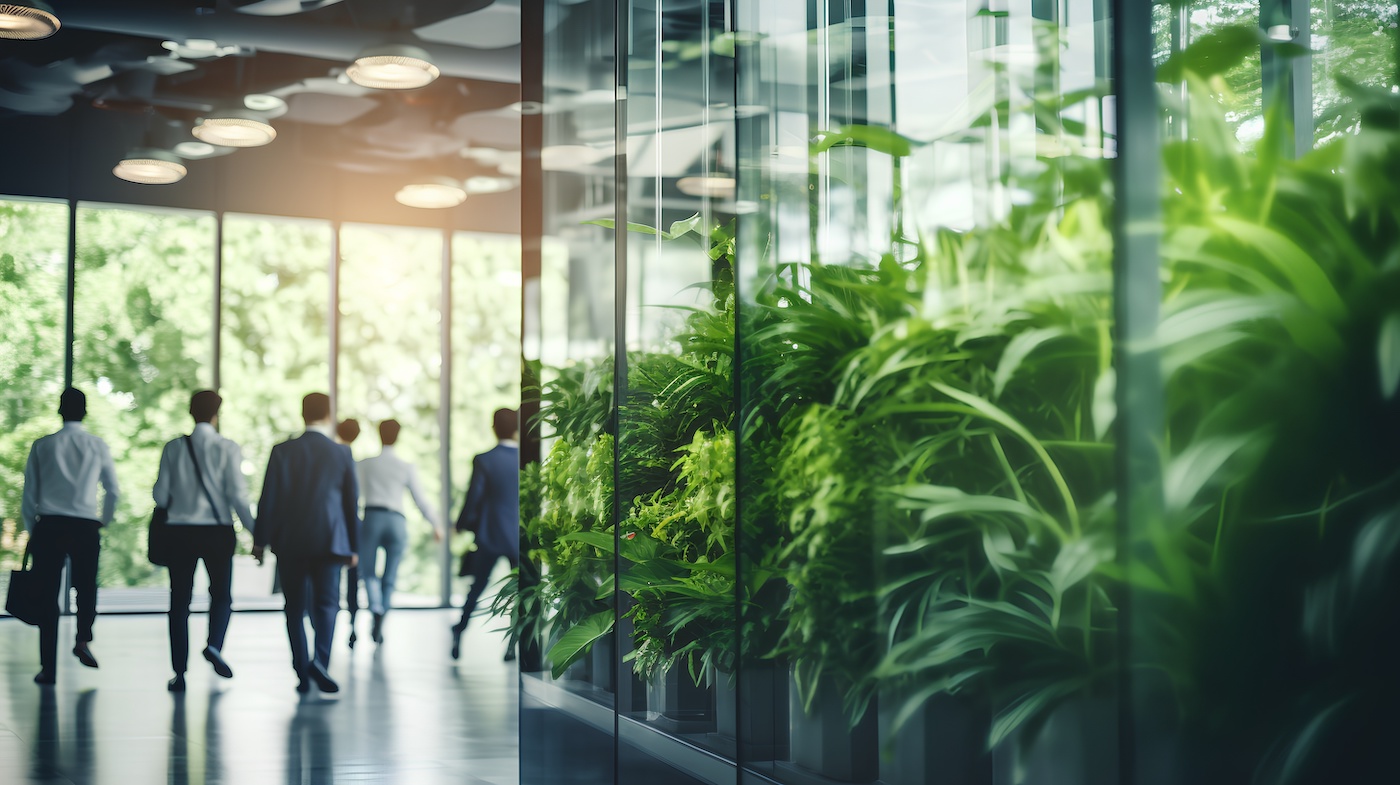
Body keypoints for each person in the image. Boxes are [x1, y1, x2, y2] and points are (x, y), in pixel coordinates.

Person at [253, 393, 359, 694]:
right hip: (330, 541)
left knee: (294, 607)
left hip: (291, 541)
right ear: (328, 416)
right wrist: (353, 547)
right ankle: (321, 663)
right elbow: (351, 504)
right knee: (327, 605)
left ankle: (301, 670)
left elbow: (268, 498)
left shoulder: (282, 451)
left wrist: (260, 540)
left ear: (302, 414)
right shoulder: (341, 453)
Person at [153, 390, 257, 692]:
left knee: (179, 601)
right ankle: (214, 645)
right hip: (217, 531)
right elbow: (238, 496)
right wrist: (256, 533)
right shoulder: (227, 448)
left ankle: (180, 673)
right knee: (221, 595)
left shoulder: (173, 448)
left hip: (179, 531)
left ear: (190, 412)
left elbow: (160, 496)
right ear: (217, 414)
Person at [20, 387, 120, 685]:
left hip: (49, 525)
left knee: (47, 597)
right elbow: (113, 490)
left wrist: (32, 529)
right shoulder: (97, 445)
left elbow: (29, 496)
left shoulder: (42, 445)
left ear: (59, 410)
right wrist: (103, 521)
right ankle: (83, 639)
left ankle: (48, 668)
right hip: (85, 525)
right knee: (86, 587)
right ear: (85, 412)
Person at [356, 418, 443, 645]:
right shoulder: (405, 466)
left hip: (372, 517)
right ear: (398, 436)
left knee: (368, 572)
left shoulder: (364, 464)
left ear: (378, 433)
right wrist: (436, 524)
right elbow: (420, 500)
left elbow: (351, 496)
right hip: (396, 520)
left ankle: (374, 604)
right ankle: (382, 615)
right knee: (390, 576)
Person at [450, 408, 520, 661]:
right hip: (517, 537)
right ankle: (513, 642)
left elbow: (474, 497)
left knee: (477, 587)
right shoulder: (526, 458)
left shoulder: (484, 459)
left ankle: (459, 630)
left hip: (490, 534)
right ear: (517, 429)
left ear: (493, 428)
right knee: (520, 591)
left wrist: (461, 524)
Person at [335, 418, 363, 649]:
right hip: (347, 526)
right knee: (353, 578)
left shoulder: (331, 453)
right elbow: (352, 501)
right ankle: (353, 624)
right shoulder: (347, 456)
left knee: (332, 579)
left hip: (331, 528)